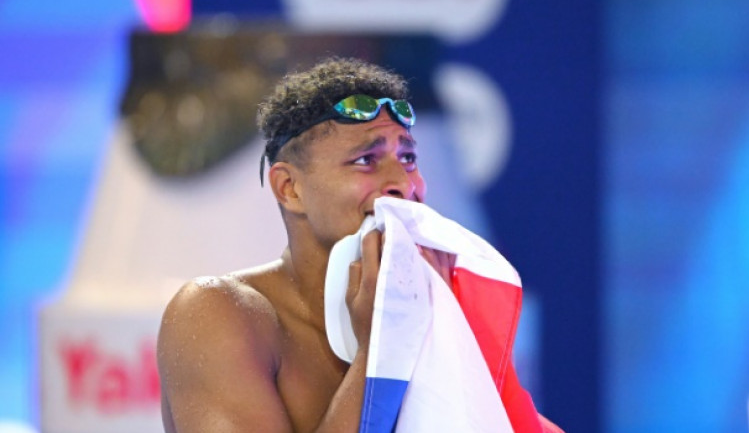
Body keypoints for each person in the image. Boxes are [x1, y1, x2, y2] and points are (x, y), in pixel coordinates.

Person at [157, 57, 558, 432]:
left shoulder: (434, 306)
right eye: (366, 160)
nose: (402, 184)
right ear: (290, 188)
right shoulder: (219, 314)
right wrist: (380, 347)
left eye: (407, 158)